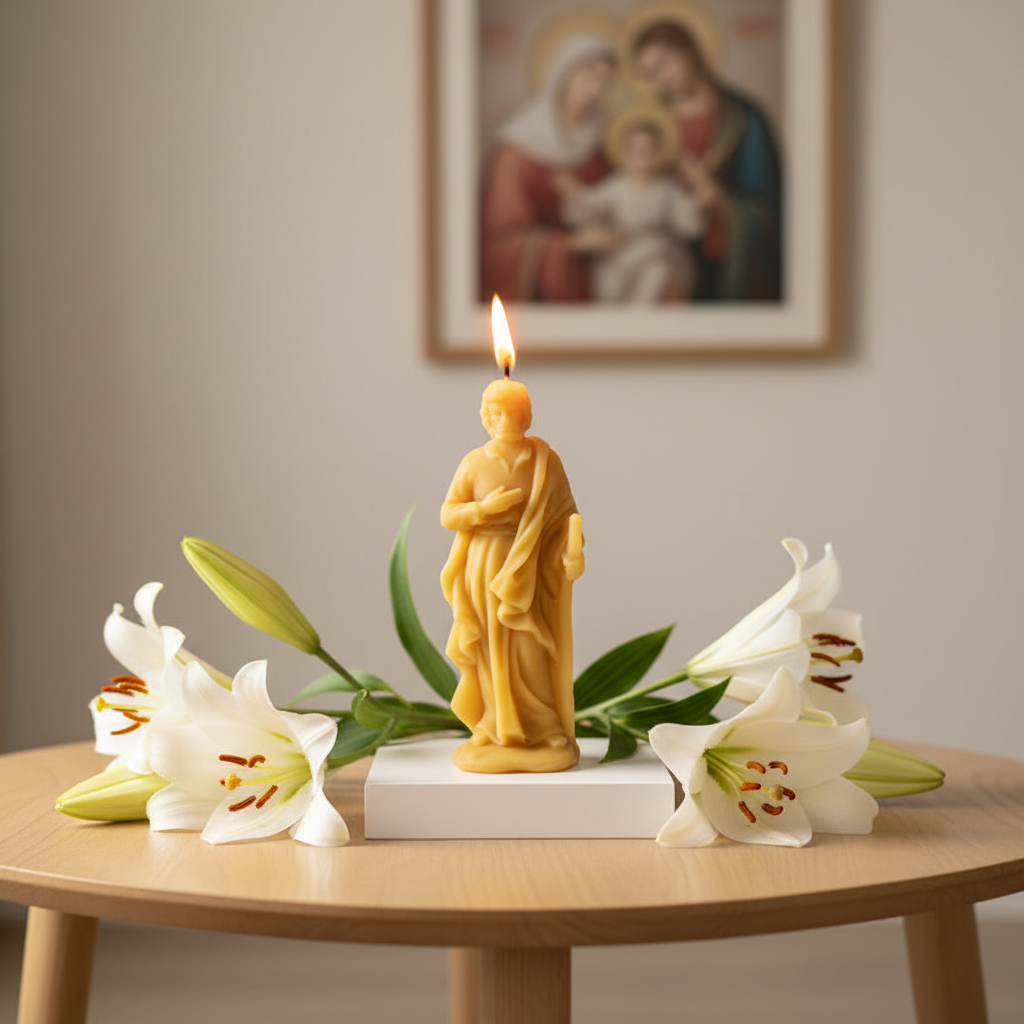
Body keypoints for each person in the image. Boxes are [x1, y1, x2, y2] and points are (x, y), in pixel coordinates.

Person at [440, 379, 584, 773]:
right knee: (487, 648)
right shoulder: (474, 462)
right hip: (483, 563)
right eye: (495, 412)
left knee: (529, 646)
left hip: (530, 566)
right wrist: (483, 510)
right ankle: (492, 726)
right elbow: (448, 514)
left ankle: (543, 728)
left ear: (528, 414)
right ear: (485, 418)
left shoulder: (544, 461)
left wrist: (571, 552)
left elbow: (564, 517)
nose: (504, 419)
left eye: (512, 411)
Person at [632, 19, 783, 302]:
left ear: (690, 52)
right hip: (665, 264)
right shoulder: (647, 124)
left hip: (727, 264)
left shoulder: (744, 119)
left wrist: (719, 201)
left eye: (664, 62)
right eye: (649, 73)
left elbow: (772, 210)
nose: (661, 78)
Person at [479, 33, 619, 303]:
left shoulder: (605, 143)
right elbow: (499, 245)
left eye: (605, 81)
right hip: (549, 290)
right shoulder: (515, 151)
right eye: (590, 75)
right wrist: (574, 244)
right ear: (563, 74)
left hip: (601, 284)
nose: (596, 89)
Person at [555, 109, 707, 302]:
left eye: (649, 151)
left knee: (658, 271)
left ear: (659, 155)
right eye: (637, 152)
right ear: (625, 155)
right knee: (638, 274)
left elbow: (686, 220)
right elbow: (591, 204)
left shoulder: (666, 188)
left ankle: (648, 324)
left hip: (659, 250)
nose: (643, 158)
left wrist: (698, 204)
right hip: (622, 253)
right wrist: (573, 193)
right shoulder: (617, 186)